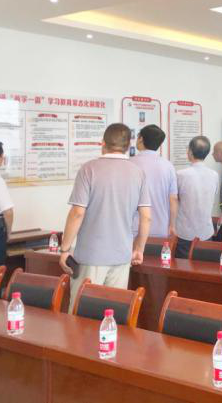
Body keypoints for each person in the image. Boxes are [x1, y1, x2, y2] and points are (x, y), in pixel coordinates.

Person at [58, 123, 151, 308]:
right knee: (113, 313)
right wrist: (139, 249)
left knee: (82, 314)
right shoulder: (138, 173)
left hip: (91, 256)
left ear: (103, 143)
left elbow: (77, 213)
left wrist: (65, 249)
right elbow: (146, 217)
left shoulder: (89, 169)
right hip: (122, 256)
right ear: (128, 146)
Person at [130, 125, 178, 238]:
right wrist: (172, 225)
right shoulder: (168, 166)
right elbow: (173, 199)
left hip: (134, 228)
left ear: (141, 139)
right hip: (161, 228)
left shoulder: (129, 164)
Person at [175, 136, 219, 257]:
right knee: (205, 266)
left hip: (185, 232)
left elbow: (175, 200)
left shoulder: (180, 175)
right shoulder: (214, 175)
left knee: (182, 266)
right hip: (206, 232)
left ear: (190, 152)